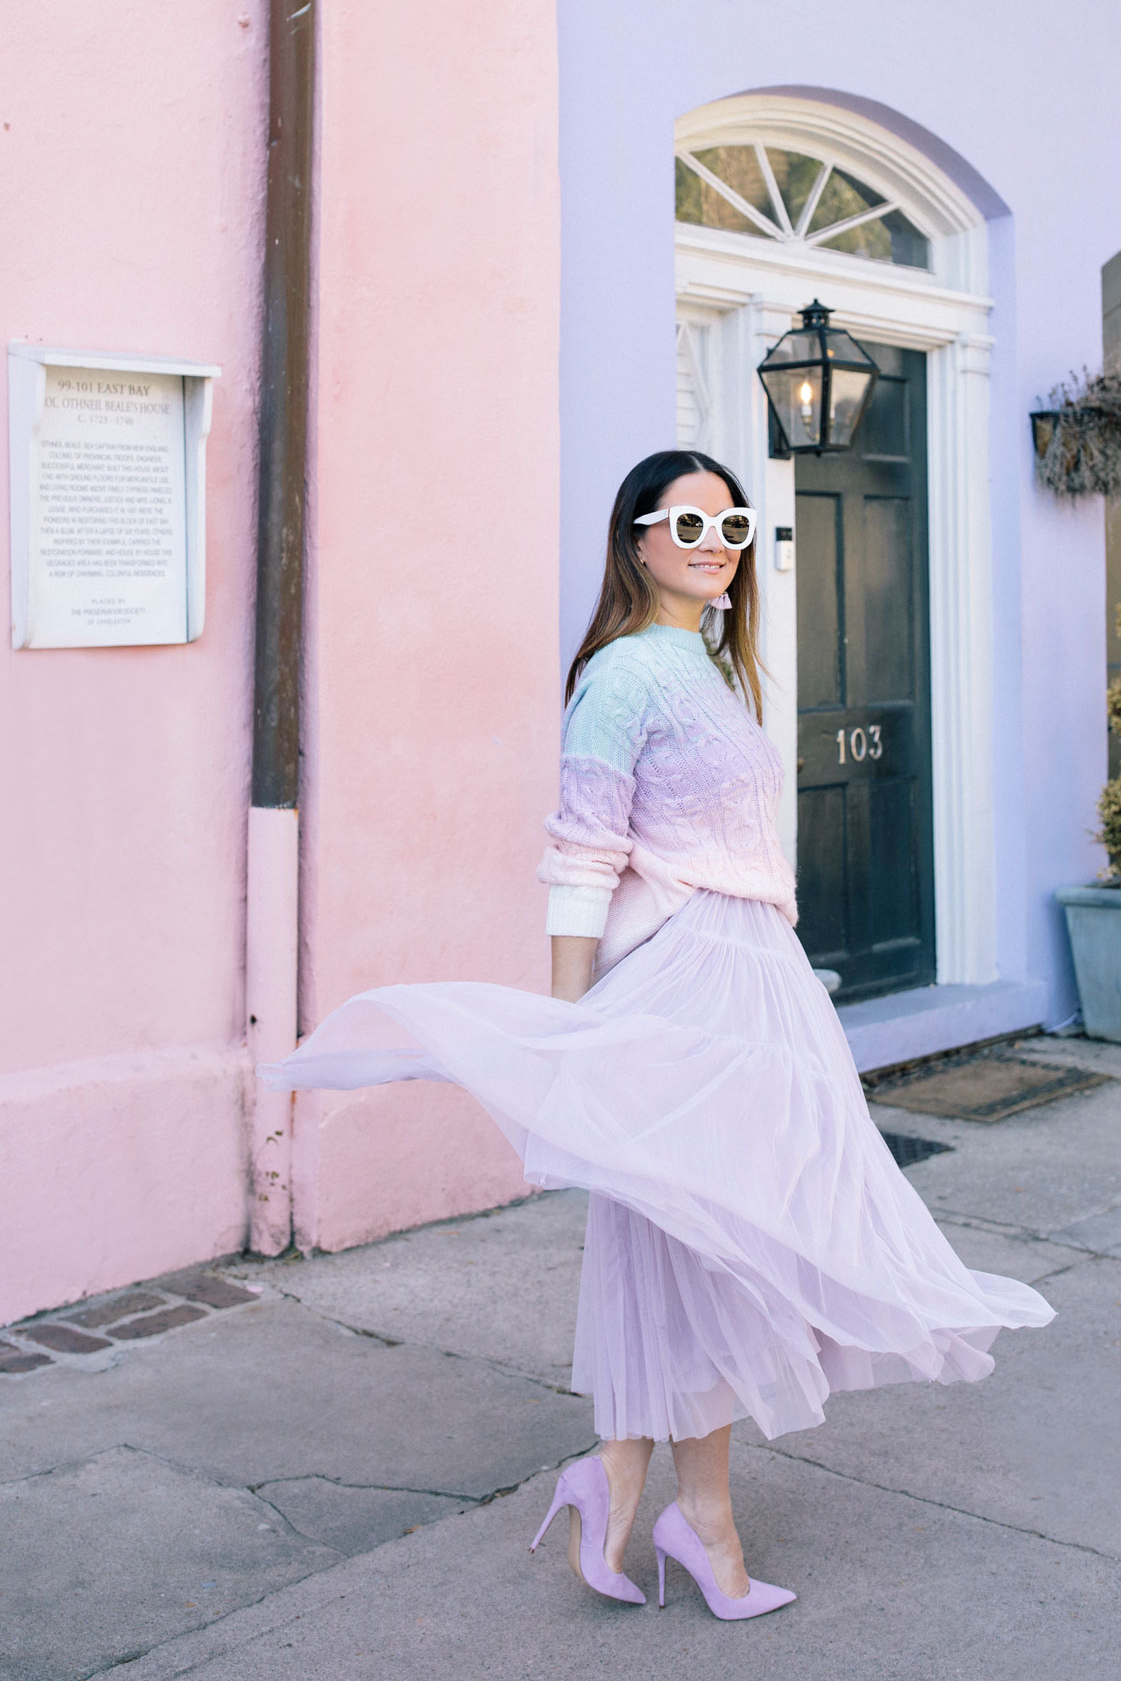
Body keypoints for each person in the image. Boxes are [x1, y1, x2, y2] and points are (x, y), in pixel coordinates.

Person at [261, 450, 1055, 1622]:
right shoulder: (626, 672)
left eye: (729, 524)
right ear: (635, 538)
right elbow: (582, 855)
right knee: (712, 1244)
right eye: (686, 523)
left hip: (747, 978)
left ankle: (631, 1481)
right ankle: (695, 1517)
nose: (713, 541)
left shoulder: (708, 667)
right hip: (691, 984)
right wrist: (566, 1030)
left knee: (693, 1244)